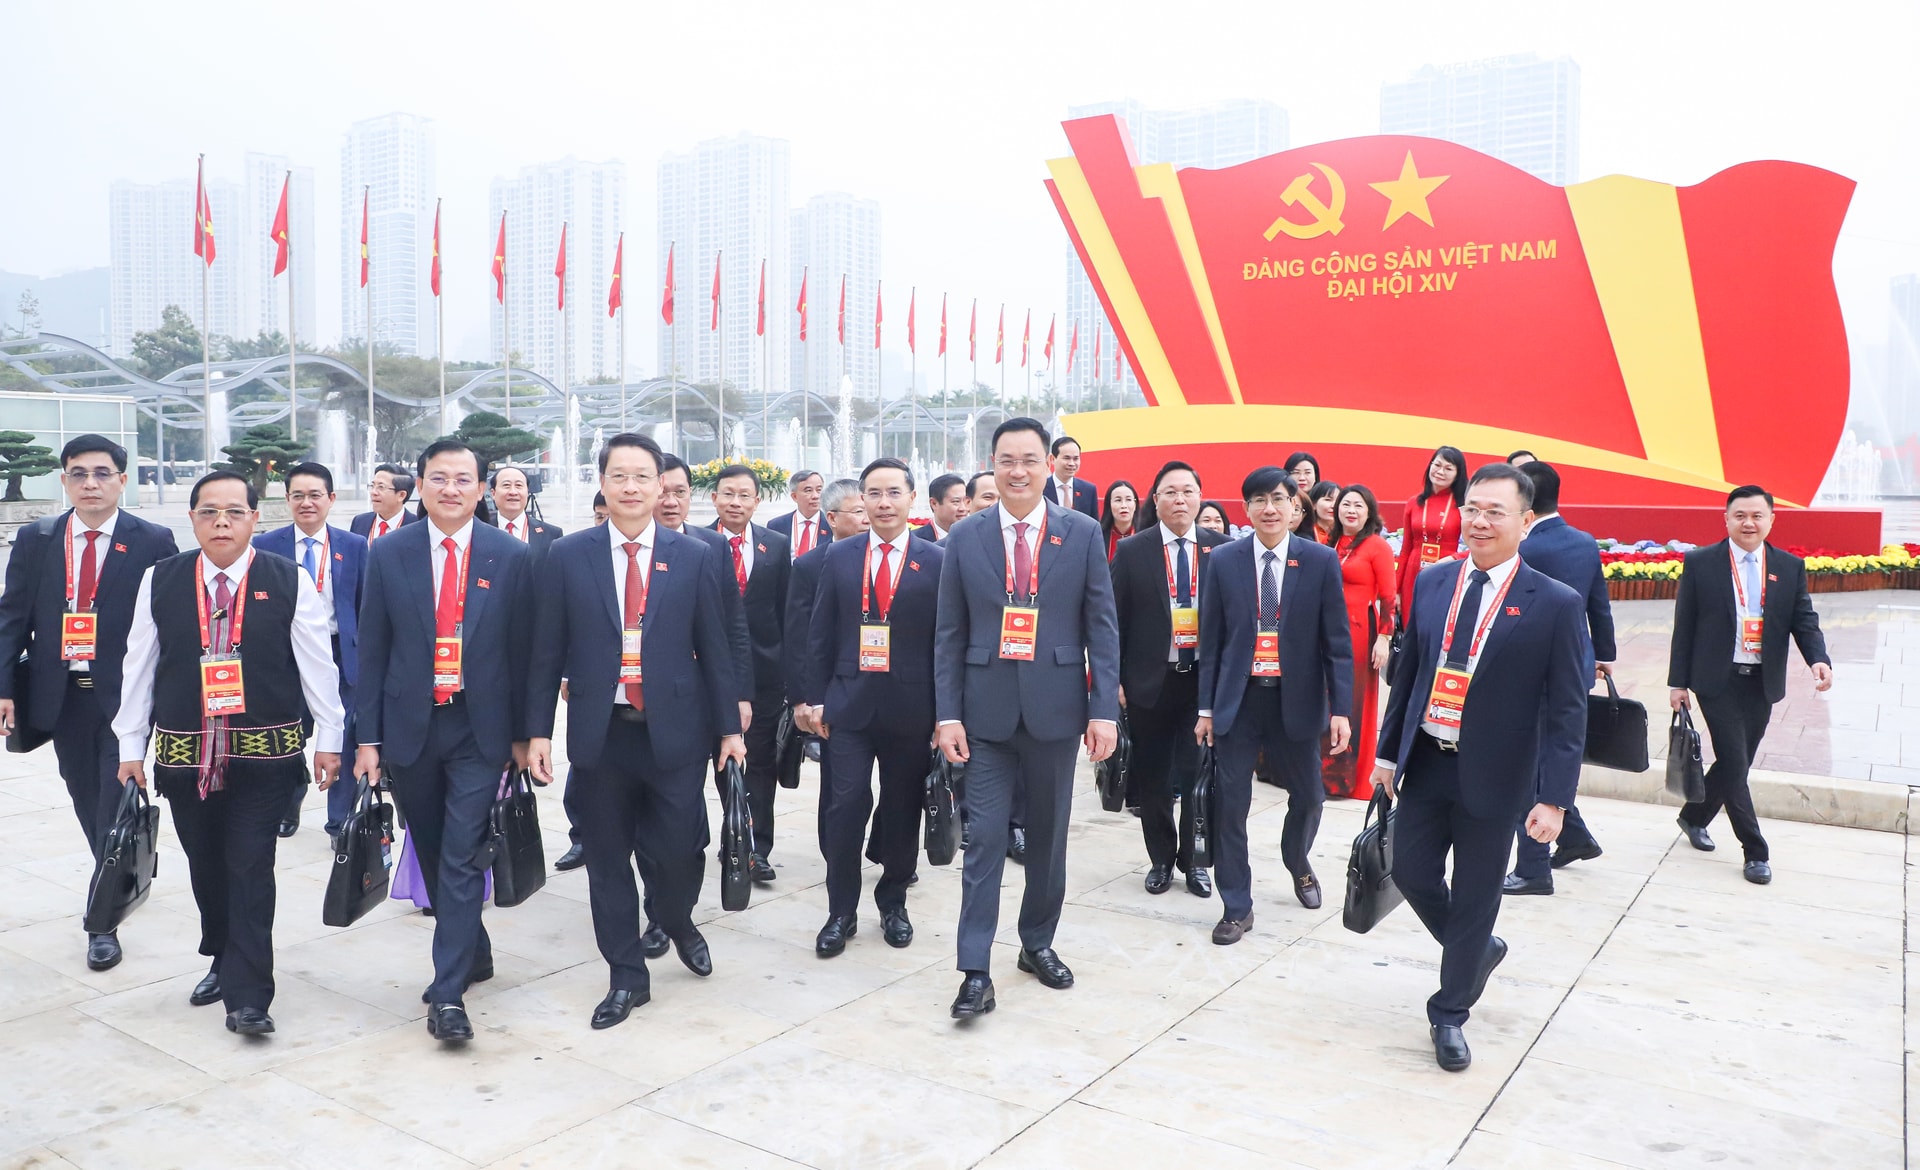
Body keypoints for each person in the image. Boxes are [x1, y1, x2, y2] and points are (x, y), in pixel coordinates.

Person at [1371, 463, 1587, 1071]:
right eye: (1473, 508)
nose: (1480, 521)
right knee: (1410, 872)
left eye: (1496, 512)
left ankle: (1450, 1011)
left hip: (1498, 776)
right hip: (1427, 761)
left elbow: (1568, 710)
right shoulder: (1434, 581)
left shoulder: (1554, 603)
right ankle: (1475, 951)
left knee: (1475, 894)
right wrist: (1387, 754)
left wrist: (1555, 798)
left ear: (1526, 521)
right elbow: (1411, 675)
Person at [113, 471, 344, 1035]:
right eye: (209, 512)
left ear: (254, 519)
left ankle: (249, 996)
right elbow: (139, 665)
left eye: (235, 512)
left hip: (265, 758)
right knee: (207, 866)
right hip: (185, 755)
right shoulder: (161, 579)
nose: (222, 522)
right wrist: (130, 744)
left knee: (249, 866)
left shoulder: (288, 579)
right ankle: (222, 954)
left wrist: (331, 738)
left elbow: (318, 665)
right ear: (192, 519)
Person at [525, 434, 744, 1028]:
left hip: (675, 733)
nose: (630, 487)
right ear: (602, 484)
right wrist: (538, 731)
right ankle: (626, 975)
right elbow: (546, 650)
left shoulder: (695, 555)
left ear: (660, 485)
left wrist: (729, 727)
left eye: (642, 476)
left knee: (677, 855)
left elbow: (716, 648)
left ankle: (675, 918)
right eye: (618, 476)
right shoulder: (568, 555)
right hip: (602, 736)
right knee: (606, 863)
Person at [353, 438, 536, 1045]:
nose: (451, 489)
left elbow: (525, 655)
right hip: (411, 727)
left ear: (481, 489)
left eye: (463, 479)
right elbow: (373, 650)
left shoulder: (510, 556)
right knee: (431, 848)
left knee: (460, 852)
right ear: (421, 485)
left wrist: (526, 734)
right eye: (439, 478)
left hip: (479, 729)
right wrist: (368, 738)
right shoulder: (390, 552)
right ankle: (472, 948)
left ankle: (448, 992)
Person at [935, 417, 1119, 1019]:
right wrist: (947, 714)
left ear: (1048, 466)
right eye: (1006, 460)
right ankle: (974, 969)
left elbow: (1102, 629)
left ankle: (1037, 943)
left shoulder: (1081, 532)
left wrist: (1103, 711)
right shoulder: (966, 536)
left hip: (1056, 711)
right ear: (992, 465)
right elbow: (949, 633)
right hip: (984, 716)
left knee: (1048, 839)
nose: (1018, 471)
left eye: (1029, 460)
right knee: (985, 840)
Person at [0, 434, 178, 972]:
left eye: (102, 473)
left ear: (122, 480)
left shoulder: (152, 540)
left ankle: (102, 922)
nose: (90, 484)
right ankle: (123, 863)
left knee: (111, 800)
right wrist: (4, 687)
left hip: (126, 699)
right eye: (78, 474)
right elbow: (12, 617)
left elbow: (171, 622)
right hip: (62, 699)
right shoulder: (37, 539)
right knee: (85, 798)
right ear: (64, 480)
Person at [1195, 469, 1351, 940]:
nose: (1269, 508)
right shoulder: (1225, 560)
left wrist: (1341, 709)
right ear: (1246, 509)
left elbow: (1337, 643)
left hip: (1295, 700)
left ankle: (1297, 859)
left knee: (1309, 797)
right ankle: (1236, 906)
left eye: (1279, 499)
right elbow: (1211, 641)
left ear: (1294, 507)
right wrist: (1206, 709)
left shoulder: (1320, 560)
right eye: (1259, 500)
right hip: (1239, 702)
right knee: (1230, 805)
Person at [804, 458, 944, 956]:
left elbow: (945, 643)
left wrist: (945, 713)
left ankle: (893, 902)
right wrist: (812, 698)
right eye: (874, 494)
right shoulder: (840, 556)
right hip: (848, 706)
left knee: (902, 810)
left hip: (913, 708)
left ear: (912, 499)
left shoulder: (936, 560)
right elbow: (819, 631)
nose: (884, 503)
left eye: (893, 493)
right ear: (861, 500)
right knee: (844, 808)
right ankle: (840, 911)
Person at [1669, 485, 1832, 885]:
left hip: (1761, 679)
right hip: (1715, 678)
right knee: (1735, 762)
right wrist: (1678, 683)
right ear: (1726, 519)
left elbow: (1803, 619)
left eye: (1757, 516)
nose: (1748, 523)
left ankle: (1694, 816)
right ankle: (1755, 851)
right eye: (1740, 515)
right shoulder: (1701, 562)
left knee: (1734, 761)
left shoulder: (1789, 567)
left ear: (1771, 520)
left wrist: (1819, 659)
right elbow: (1684, 624)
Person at [1111, 461, 1226, 897]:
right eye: (1170, 492)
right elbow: (1114, 622)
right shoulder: (1132, 551)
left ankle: (1195, 861)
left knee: (1196, 776)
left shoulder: (1222, 550)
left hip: (1201, 682)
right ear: (1155, 499)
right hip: (1149, 682)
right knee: (1154, 778)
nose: (1180, 500)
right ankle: (1160, 858)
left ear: (1200, 497)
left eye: (1188, 491)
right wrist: (1115, 680)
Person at [1503, 461, 1613, 894]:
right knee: (1549, 762)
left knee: (1526, 771)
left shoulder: (1524, 548)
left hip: (1530, 675)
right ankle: (1575, 837)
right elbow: (1598, 602)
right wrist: (1603, 655)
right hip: (1576, 667)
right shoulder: (1584, 541)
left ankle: (1533, 869)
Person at [253, 461, 366, 838]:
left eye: (315, 495)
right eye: (298, 495)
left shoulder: (354, 546)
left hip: (339, 653)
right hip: (285, 656)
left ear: (330, 499)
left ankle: (339, 821)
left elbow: (364, 603)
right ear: (287, 499)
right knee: (288, 736)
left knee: (343, 737)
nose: (306, 503)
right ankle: (290, 800)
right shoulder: (265, 545)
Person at [709, 464, 791, 881]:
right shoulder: (695, 543)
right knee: (715, 759)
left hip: (763, 674)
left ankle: (755, 847)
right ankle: (726, 833)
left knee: (758, 762)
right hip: (705, 672)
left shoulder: (775, 545)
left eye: (744, 495)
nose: (735, 502)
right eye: (728, 494)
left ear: (757, 501)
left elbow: (785, 609)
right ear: (714, 498)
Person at [1326, 485, 1395, 800]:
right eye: (1346, 504)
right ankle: (1324, 774)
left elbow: (1389, 596)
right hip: (1326, 631)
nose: (1351, 510)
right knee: (1327, 699)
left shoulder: (1377, 546)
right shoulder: (1332, 543)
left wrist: (1384, 637)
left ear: (1369, 512)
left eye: (1358, 505)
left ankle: (1348, 779)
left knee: (1353, 701)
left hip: (1359, 633)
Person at [1396, 446, 1468, 629]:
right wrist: (1396, 590)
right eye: (1437, 465)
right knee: (1411, 628)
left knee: (1437, 627)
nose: (1440, 472)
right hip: (1413, 574)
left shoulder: (1464, 505)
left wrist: (1454, 558)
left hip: (1446, 572)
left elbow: (1474, 548)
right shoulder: (1414, 503)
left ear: (1458, 474)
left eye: (1448, 468)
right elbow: (1405, 550)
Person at [490, 465, 563, 555]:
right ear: (493, 493)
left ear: (527, 492)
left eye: (518, 485)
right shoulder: (478, 532)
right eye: (506, 485)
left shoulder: (552, 535)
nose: (513, 492)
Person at [767, 469, 831, 558]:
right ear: (794, 496)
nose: (815, 496)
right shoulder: (776, 526)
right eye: (808, 490)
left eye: (819, 490)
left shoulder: (831, 525)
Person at [349, 463, 416, 539]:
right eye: (372, 486)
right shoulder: (360, 522)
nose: (373, 492)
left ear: (401, 495)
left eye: (381, 487)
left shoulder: (417, 527)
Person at [1043, 435, 1099, 519]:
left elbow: (1094, 523)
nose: (1072, 463)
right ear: (1052, 459)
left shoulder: (1088, 490)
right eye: (1066, 458)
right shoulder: (1041, 488)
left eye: (1076, 459)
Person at [921, 473, 967, 541]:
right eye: (956, 501)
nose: (963, 508)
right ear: (934, 503)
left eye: (966, 501)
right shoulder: (915, 541)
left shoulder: (976, 537)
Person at [1100, 481, 1138, 560]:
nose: (1123, 505)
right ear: (1109, 505)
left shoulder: (1146, 535)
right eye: (1118, 500)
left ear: (1135, 504)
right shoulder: (1099, 536)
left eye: (1128, 499)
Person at [1297, 480, 1340, 545]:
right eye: (1328, 500)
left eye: (1338, 501)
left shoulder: (1346, 534)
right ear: (1313, 504)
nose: (1334, 506)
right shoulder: (1302, 535)